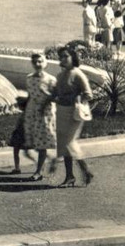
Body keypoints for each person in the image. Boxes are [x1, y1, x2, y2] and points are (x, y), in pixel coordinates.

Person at [50, 46, 94, 187]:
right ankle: (70, 176)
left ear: (73, 57)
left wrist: (77, 99)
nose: (63, 59)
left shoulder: (77, 74)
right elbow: (56, 93)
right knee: (63, 144)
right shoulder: (60, 75)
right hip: (61, 111)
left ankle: (85, 170)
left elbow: (88, 94)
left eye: (66, 56)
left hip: (73, 113)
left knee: (69, 142)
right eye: (61, 57)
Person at [23, 52, 56, 181]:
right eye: (35, 62)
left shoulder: (51, 79)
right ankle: (50, 159)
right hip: (31, 112)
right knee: (30, 144)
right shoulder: (29, 78)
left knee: (41, 144)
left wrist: (46, 93)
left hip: (45, 113)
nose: (37, 64)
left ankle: (38, 172)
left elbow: (56, 97)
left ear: (45, 63)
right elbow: (30, 95)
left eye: (40, 61)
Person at [9, 96, 34, 173]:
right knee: (24, 151)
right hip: (23, 134)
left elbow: (20, 125)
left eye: (19, 105)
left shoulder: (24, 115)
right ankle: (18, 167)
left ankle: (17, 168)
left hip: (20, 135)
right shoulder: (27, 114)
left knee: (17, 151)